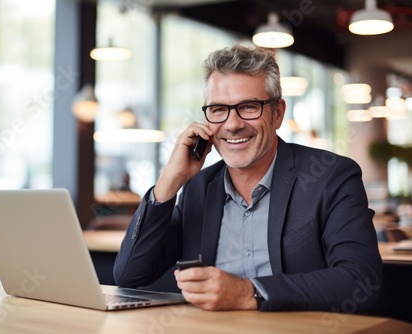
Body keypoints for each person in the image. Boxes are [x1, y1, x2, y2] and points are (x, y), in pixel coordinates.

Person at [113, 44, 382, 312]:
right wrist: (168, 182)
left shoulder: (331, 176)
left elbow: (360, 280)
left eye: (249, 107)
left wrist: (248, 293)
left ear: (277, 113)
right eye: (218, 109)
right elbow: (130, 275)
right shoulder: (198, 187)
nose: (232, 124)